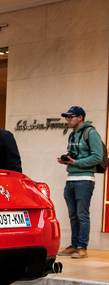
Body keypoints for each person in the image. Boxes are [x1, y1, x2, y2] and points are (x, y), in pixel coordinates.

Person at [57, 106, 104, 259]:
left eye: (71, 117)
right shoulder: (72, 135)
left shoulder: (91, 133)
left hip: (85, 179)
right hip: (70, 179)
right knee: (72, 215)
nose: (68, 120)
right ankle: (74, 244)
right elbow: (75, 157)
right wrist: (66, 161)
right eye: (67, 117)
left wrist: (75, 162)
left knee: (82, 214)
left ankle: (82, 247)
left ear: (80, 117)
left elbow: (97, 157)